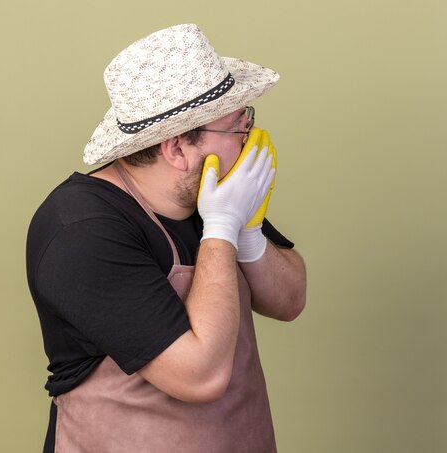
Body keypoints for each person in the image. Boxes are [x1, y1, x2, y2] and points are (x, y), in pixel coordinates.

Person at [26, 24, 306, 452]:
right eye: (237, 127)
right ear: (177, 150)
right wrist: (222, 228)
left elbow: (290, 301)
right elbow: (200, 375)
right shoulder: (81, 229)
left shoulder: (214, 194)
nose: (251, 139)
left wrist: (247, 231)